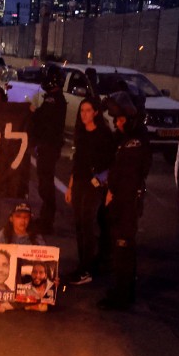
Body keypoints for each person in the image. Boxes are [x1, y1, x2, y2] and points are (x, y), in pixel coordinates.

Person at [99, 86, 152, 309]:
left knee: (123, 246)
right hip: (123, 200)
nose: (117, 123)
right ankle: (122, 288)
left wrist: (114, 197)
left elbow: (126, 177)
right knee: (121, 247)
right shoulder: (128, 137)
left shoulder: (135, 142)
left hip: (126, 202)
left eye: (120, 119)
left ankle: (123, 295)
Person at [65, 97, 116, 286]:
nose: (84, 114)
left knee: (87, 224)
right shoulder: (81, 133)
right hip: (79, 182)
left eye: (88, 110)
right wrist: (70, 186)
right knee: (79, 224)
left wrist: (106, 186)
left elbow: (112, 163)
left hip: (94, 185)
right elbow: (77, 161)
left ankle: (87, 268)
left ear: (96, 112)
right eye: (82, 111)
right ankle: (83, 264)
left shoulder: (103, 134)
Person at [28, 66, 67, 232]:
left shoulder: (53, 99)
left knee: (46, 184)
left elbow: (42, 119)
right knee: (45, 183)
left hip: (49, 147)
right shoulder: (54, 98)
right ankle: (45, 217)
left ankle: (47, 220)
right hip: (48, 146)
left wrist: (32, 111)